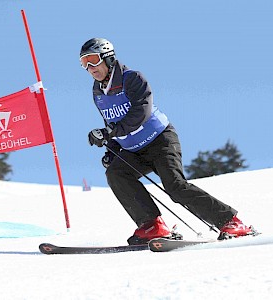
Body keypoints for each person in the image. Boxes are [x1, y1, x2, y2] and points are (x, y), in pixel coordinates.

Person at [80, 38, 254, 245]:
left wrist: (109, 132)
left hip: (160, 141)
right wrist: (112, 148)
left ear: (108, 58)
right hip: (134, 150)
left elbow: (140, 113)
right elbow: (113, 121)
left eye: (93, 60)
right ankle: (152, 225)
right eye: (84, 63)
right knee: (116, 174)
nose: (90, 67)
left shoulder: (132, 78)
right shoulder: (98, 92)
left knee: (175, 186)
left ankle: (231, 222)